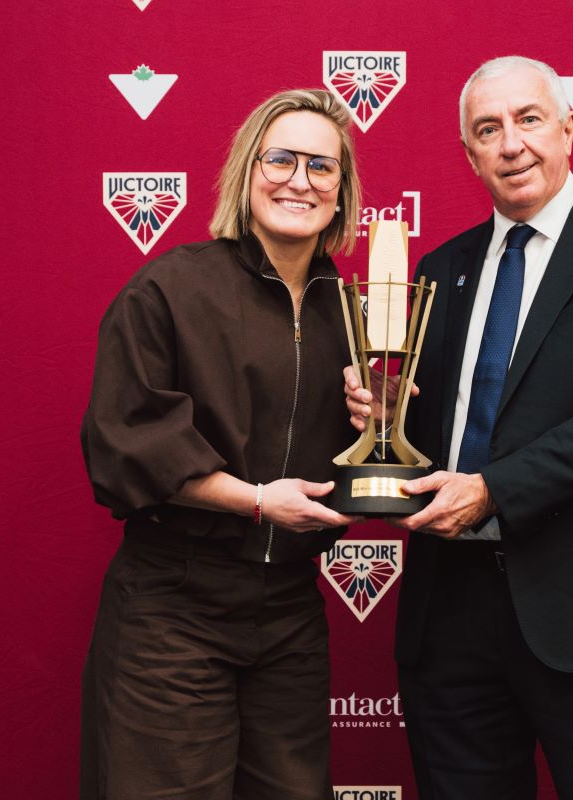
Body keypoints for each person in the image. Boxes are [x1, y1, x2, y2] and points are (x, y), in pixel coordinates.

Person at [345, 56, 573, 799]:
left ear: (568, 129)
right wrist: (384, 413)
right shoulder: (440, 269)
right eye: (487, 129)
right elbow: (430, 428)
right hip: (451, 617)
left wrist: (494, 490)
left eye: (529, 120)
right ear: (468, 154)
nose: (511, 144)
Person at [80, 88, 362, 800]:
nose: (300, 181)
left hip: (293, 612)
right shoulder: (169, 289)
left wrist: (378, 422)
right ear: (247, 170)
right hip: (175, 608)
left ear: (342, 193)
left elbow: (371, 464)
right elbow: (125, 443)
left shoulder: (357, 316)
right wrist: (257, 502)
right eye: (282, 159)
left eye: (322, 168)